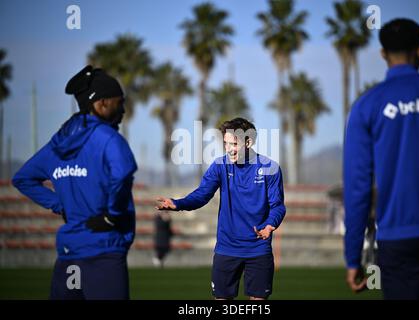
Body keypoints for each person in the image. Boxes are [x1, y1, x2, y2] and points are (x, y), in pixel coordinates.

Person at [344, 18, 419, 299]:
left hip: (398, 239)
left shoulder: (367, 105)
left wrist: (353, 257)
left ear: (383, 54)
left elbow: (357, 187)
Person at [12, 65, 137, 300]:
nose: (123, 110)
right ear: (101, 104)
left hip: (69, 256)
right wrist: (112, 214)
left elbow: (23, 179)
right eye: (119, 102)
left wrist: (60, 204)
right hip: (104, 254)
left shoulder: (57, 145)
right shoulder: (109, 139)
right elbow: (123, 173)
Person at [156, 117, 286, 300]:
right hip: (227, 248)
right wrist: (178, 204)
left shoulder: (270, 168)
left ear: (249, 142)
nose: (228, 149)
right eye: (225, 144)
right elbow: (202, 195)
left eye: (234, 144)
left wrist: (270, 225)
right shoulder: (219, 166)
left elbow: (278, 206)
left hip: (258, 249)